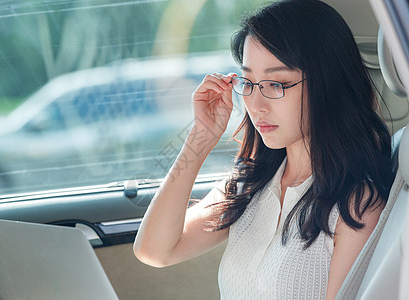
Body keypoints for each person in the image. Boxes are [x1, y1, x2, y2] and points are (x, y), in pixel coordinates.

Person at [133, 0, 394, 299]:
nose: (256, 105)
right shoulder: (250, 184)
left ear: (327, 83)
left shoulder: (356, 205)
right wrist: (201, 137)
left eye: (276, 84)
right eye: (249, 82)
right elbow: (153, 251)